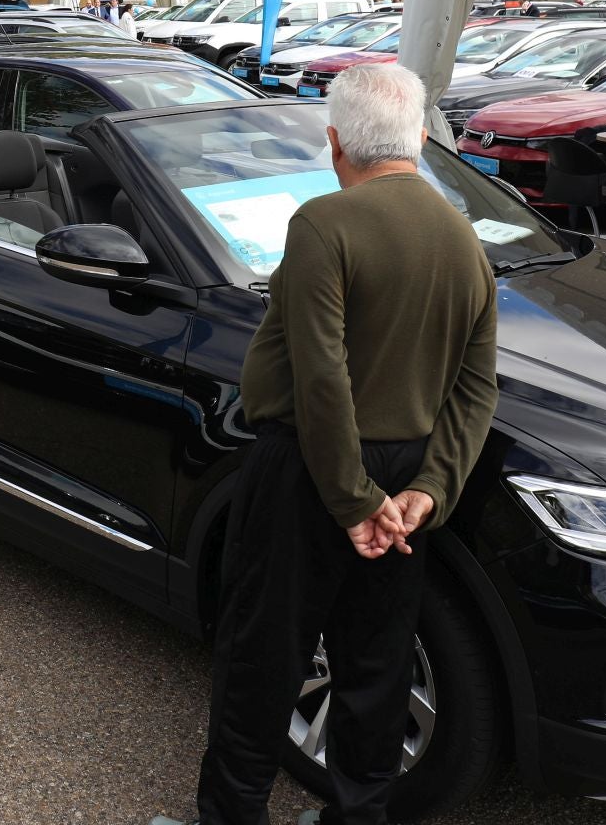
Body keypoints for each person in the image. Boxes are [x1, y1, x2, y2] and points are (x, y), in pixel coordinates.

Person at [154, 64, 498, 825]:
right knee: (377, 662)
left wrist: (351, 501)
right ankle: (357, 815)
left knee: (261, 659)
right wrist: (427, 491)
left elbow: (321, 379)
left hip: (312, 471)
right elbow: (476, 388)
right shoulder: (463, 238)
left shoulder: (323, 225)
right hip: (408, 482)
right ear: (418, 136)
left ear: (335, 142)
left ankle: (232, 816)